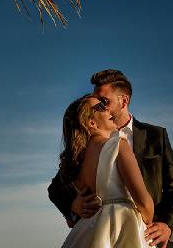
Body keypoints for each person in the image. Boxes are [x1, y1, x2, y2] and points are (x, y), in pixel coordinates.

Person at [48, 69, 173, 248]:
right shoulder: (83, 147)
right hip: (98, 233)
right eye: (98, 103)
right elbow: (56, 188)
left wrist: (168, 225)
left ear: (124, 101)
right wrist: (73, 205)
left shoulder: (155, 136)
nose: (103, 107)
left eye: (105, 101)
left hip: (148, 236)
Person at [59, 94, 154, 247]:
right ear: (91, 122)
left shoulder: (76, 162)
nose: (108, 109)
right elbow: (144, 203)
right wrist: (149, 220)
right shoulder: (118, 145)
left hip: (85, 231)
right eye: (101, 107)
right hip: (122, 228)